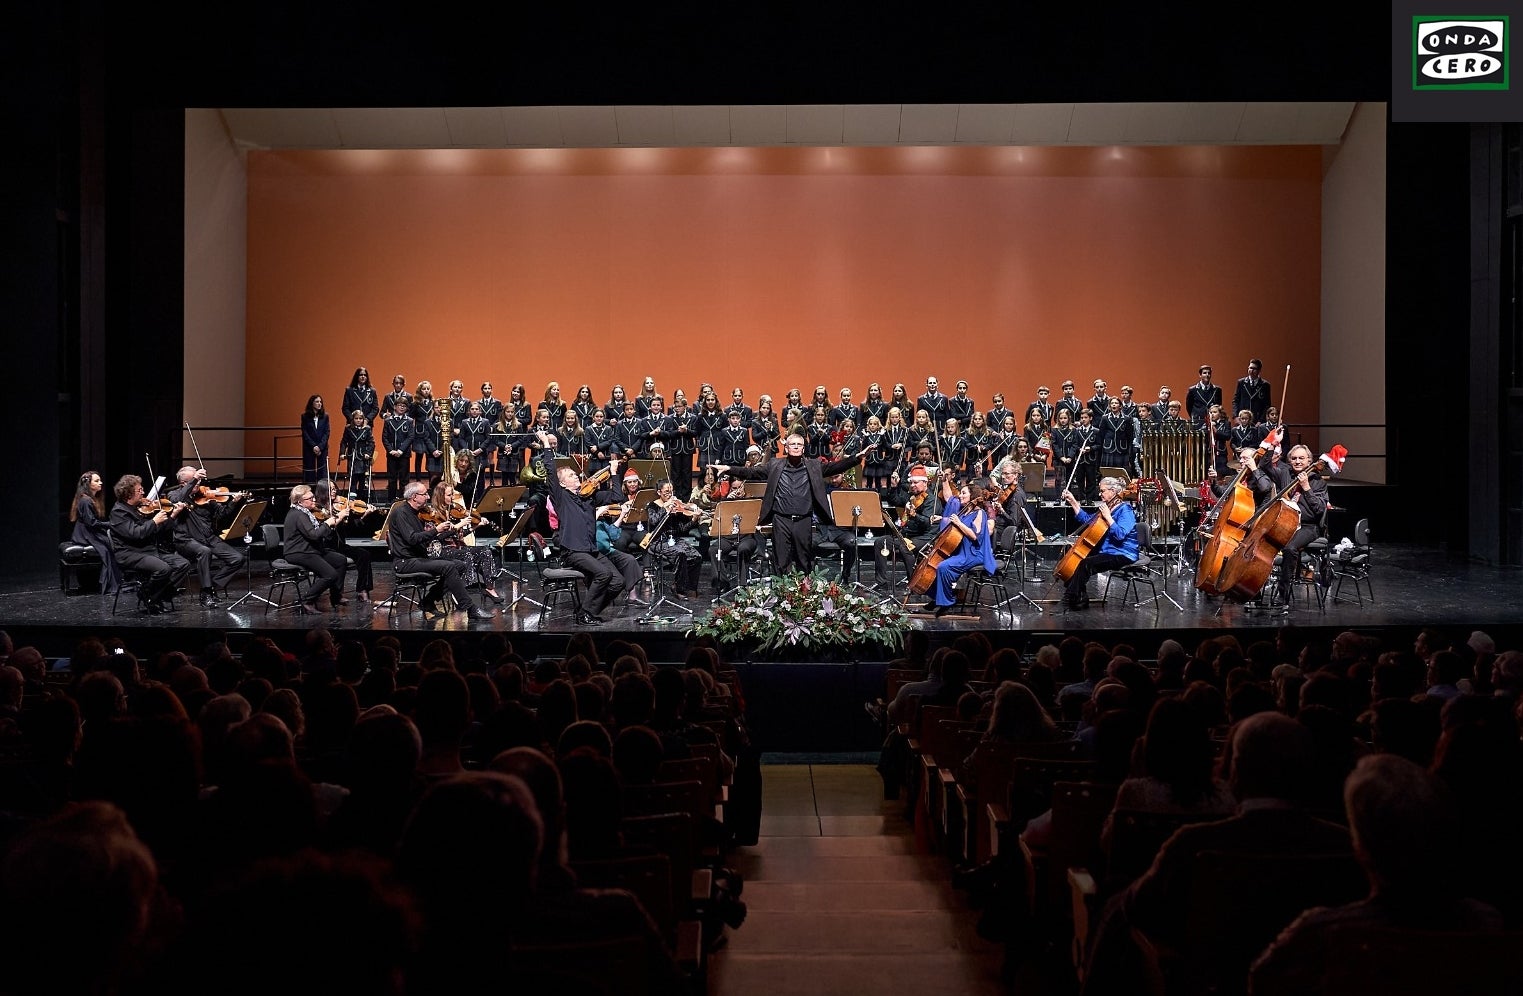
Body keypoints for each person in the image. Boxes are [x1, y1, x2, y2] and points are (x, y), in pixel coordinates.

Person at [713, 432, 865, 575]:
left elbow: (836, 467)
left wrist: (857, 458)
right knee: (781, 560)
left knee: (804, 560)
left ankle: (803, 596)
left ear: (804, 448)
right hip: (781, 520)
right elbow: (752, 472)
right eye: (793, 444)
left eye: (800, 444)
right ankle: (783, 595)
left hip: (803, 520)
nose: (797, 447)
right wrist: (729, 469)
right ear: (786, 447)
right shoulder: (774, 464)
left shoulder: (814, 465)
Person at [544, 449, 643, 623]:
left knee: (618, 582)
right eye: (571, 475)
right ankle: (585, 614)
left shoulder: (589, 498)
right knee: (604, 574)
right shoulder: (561, 498)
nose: (576, 477)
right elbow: (551, 472)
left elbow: (617, 497)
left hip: (590, 549)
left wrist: (613, 473)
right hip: (573, 551)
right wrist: (546, 445)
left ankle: (587, 611)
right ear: (562, 484)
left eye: (576, 475)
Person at [384, 481, 494, 620]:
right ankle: (470, 609)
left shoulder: (416, 513)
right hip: (405, 561)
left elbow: (428, 539)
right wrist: (436, 529)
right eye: (424, 494)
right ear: (414, 497)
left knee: (460, 565)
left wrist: (449, 530)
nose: (428, 497)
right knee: (448, 567)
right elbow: (412, 539)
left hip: (419, 557)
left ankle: (428, 601)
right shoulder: (401, 513)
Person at [1250, 443, 1329, 609]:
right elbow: (1264, 465)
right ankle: (1254, 592)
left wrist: (1306, 487)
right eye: (1294, 458)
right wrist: (1272, 445)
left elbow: (1319, 510)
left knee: (1289, 548)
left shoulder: (1318, 482)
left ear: (1309, 461)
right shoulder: (1285, 473)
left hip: (1308, 527)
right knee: (1260, 543)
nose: (1298, 461)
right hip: (1286, 524)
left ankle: (1283, 596)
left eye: (1302, 458)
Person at [107, 473, 192, 613]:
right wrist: (153, 521)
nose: (143, 492)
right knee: (163, 568)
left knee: (183, 564)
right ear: (128, 493)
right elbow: (136, 534)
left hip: (147, 550)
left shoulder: (139, 508)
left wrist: (172, 516)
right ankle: (151, 595)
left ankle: (155, 595)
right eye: (139, 490)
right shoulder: (119, 512)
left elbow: (157, 530)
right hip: (130, 553)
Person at [166, 466, 247, 606]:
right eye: (194, 480)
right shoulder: (174, 495)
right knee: (204, 551)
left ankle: (211, 589)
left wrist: (234, 502)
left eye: (198, 480)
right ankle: (206, 591)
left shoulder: (206, 496)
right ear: (183, 484)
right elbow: (179, 498)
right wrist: (196, 478)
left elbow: (222, 514)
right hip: (185, 540)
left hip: (208, 538)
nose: (198, 483)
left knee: (237, 559)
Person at [917, 476, 997, 615]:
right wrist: (942, 519)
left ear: (973, 496)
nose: (960, 495)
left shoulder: (980, 513)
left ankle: (947, 601)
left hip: (974, 553)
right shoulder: (965, 511)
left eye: (964, 493)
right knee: (934, 565)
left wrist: (958, 523)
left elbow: (974, 535)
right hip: (962, 551)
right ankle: (937, 598)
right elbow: (956, 523)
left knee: (943, 567)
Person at [1059, 475, 1138, 609]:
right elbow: (1088, 521)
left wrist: (1108, 517)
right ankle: (1080, 597)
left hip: (1123, 553)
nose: (1100, 494)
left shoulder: (1125, 510)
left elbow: (1120, 535)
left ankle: (1070, 597)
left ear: (1113, 491)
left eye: (1103, 491)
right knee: (1073, 556)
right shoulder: (1108, 507)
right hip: (1107, 549)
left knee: (1086, 563)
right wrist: (1073, 501)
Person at [430, 480, 503, 603]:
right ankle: (460, 591)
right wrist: (460, 525)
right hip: (441, 550)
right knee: (466, 555)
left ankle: (489, 588)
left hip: (456, 547)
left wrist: (476, 526)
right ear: (440, 496)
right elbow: (437, 538)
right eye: (449, 495)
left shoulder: (453, 512)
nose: (453, 497)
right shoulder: (433, 514)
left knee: (485, 551)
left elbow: (460, 536)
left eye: (453, 494)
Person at [282, 483, 352, 613]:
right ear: (300, 502)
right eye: (310, 498)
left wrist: (331, 524)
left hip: (311, 549)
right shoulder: (298, 515)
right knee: (330, 574)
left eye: (313, 497)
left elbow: (319, 534)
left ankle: (336, 596)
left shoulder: (305, 512)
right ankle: (307, 601)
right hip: (298, 552)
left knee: (340, 560)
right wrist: (326, 523)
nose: (314, 500)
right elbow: (314, 535)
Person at [645, 480, 703, 597]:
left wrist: (693, 520)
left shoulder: (675, 506)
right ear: (659, 492)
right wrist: (665, 509)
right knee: (680, 554)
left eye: (671, 492)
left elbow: (681, 529)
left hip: (674, 539)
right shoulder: (652, 506)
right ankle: (679, 588)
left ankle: (690, 587)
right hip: (658, 541)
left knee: (696, 556)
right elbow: (653, 521)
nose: (670, 495)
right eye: (666, 492)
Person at [69, 470, 122, 595]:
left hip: (88, 531)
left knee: (111, 544)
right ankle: (109, 584)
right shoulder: (85, 501)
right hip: (85, 534)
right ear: (88, 484)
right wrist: (109, 524)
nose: (101, 483)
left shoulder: (89, 499)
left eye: (100, 480)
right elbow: (91, 523)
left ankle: (115, 580)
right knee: (107, 548)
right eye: (97, 481)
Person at [337, 408, 376, 500]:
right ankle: (352, 499)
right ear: (353, 419)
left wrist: (368, 453)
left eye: (360, 418)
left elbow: (371, 443)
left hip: (362, 458)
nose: (358, 420)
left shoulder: (367, 429)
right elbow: (344, 442)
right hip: (352, 457)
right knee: (353, 478)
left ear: (363, 419)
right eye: (356, 418)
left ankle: (361, 499)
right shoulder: (348, 428)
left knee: (362, 479)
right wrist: (342, 453)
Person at [381, 396, 415, 501]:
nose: (402, 408)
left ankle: (403, 499)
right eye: (399, 405)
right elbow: (384, 437)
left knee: (404, 479)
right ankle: (391, 500)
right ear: (395, 407)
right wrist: (390, 450)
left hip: (403, 454)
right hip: (391, 454)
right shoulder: (388, 421)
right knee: (392, 478)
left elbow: (410, 437)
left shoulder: (409, 421)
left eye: (404, 406)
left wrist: (400, 450)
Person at [300, 394, 330, 483]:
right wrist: (313, 446)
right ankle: (310, 490)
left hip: (322, 447)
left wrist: (320, 446)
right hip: (309, 448)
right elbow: (305, 433)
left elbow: (327, 432)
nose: (319, 404)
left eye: (320, 402)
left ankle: (322, 491)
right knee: (309, 471)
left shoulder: (325, 416)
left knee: (322, 471)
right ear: (312, 403)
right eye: (317, 402)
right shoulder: (305, 416)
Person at [1233, 357, 1272, 424]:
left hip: (1257, 420)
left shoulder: (1265, 385)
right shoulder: (1241, 382)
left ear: (1259, 370)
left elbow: (1267, 405)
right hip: (1243, 418)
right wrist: (1235, 416)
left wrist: (1261, 421)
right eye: (1250, 368)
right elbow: (1236, 400)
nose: (1251, 370)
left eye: (1254, 369)